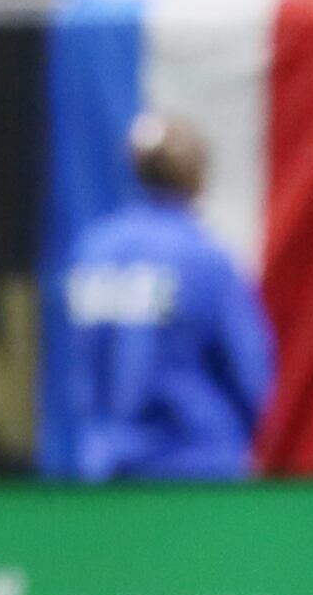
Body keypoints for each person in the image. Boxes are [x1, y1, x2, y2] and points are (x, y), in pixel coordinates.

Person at [56, 114, 274, 482]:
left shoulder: (90, 253)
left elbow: (70, 366)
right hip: (195, 469)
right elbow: (251, 374)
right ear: (197, 176)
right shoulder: (206, 260)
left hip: (104, 469)